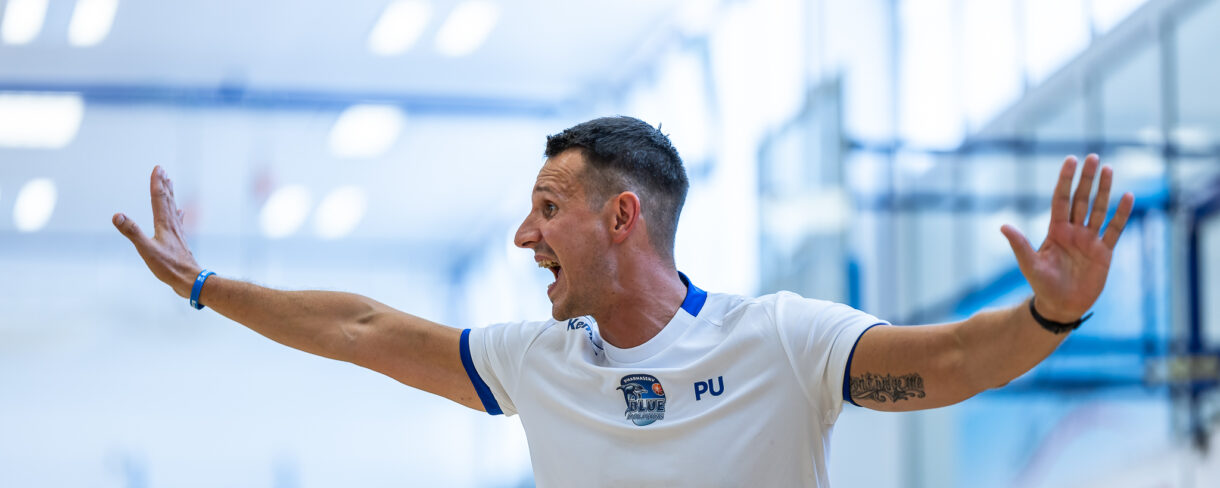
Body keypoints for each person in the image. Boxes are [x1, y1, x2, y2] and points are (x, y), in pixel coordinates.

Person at [113, 116, 1134, 487]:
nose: (522, 237)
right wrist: (204, 284)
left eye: (544, 208)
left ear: (620, 218)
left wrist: (1049, 313)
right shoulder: (534, 360)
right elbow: (360, 326)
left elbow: (950, 360)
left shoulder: (780, 338)